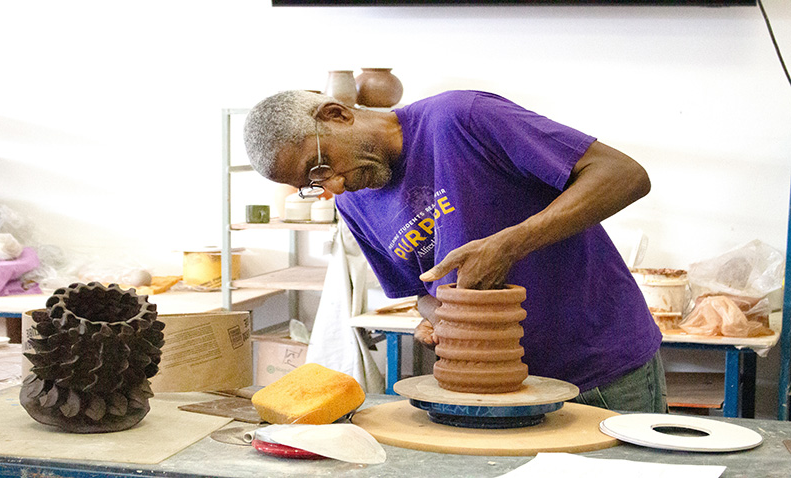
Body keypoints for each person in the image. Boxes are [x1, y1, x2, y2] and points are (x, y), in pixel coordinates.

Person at [243, 89, 667, 413]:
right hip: (492, 393)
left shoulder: (462, 117)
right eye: (313, 183)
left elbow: (623, 174)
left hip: (601, 370)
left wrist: (511, 244)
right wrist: (439, 319)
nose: (333, 185)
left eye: (320, 165)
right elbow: (422, 293)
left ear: (336, 115)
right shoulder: (353, 204)